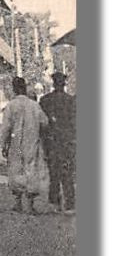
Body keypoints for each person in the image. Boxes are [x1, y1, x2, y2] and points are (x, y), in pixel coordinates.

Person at [0, 76, 50, 215]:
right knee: (31, 169)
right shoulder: (34, 105)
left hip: (15, 144)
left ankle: (18, 202)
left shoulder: (11, 106)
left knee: (16, 170)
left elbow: (5, 128)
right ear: (25, 88)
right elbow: (44, 122)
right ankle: (30, 203)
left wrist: (3, 144)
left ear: (14, 89)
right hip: (32, 142)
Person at [40, 71, 76, 214]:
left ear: (53, 83)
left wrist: (43, 142)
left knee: (53, 172)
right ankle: (70, 203)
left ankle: (55, 202)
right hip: (67, 142)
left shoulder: (45, 100)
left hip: (51, 142)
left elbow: (42, 124)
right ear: (64, 83)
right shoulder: (71, 101)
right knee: (67, 172)